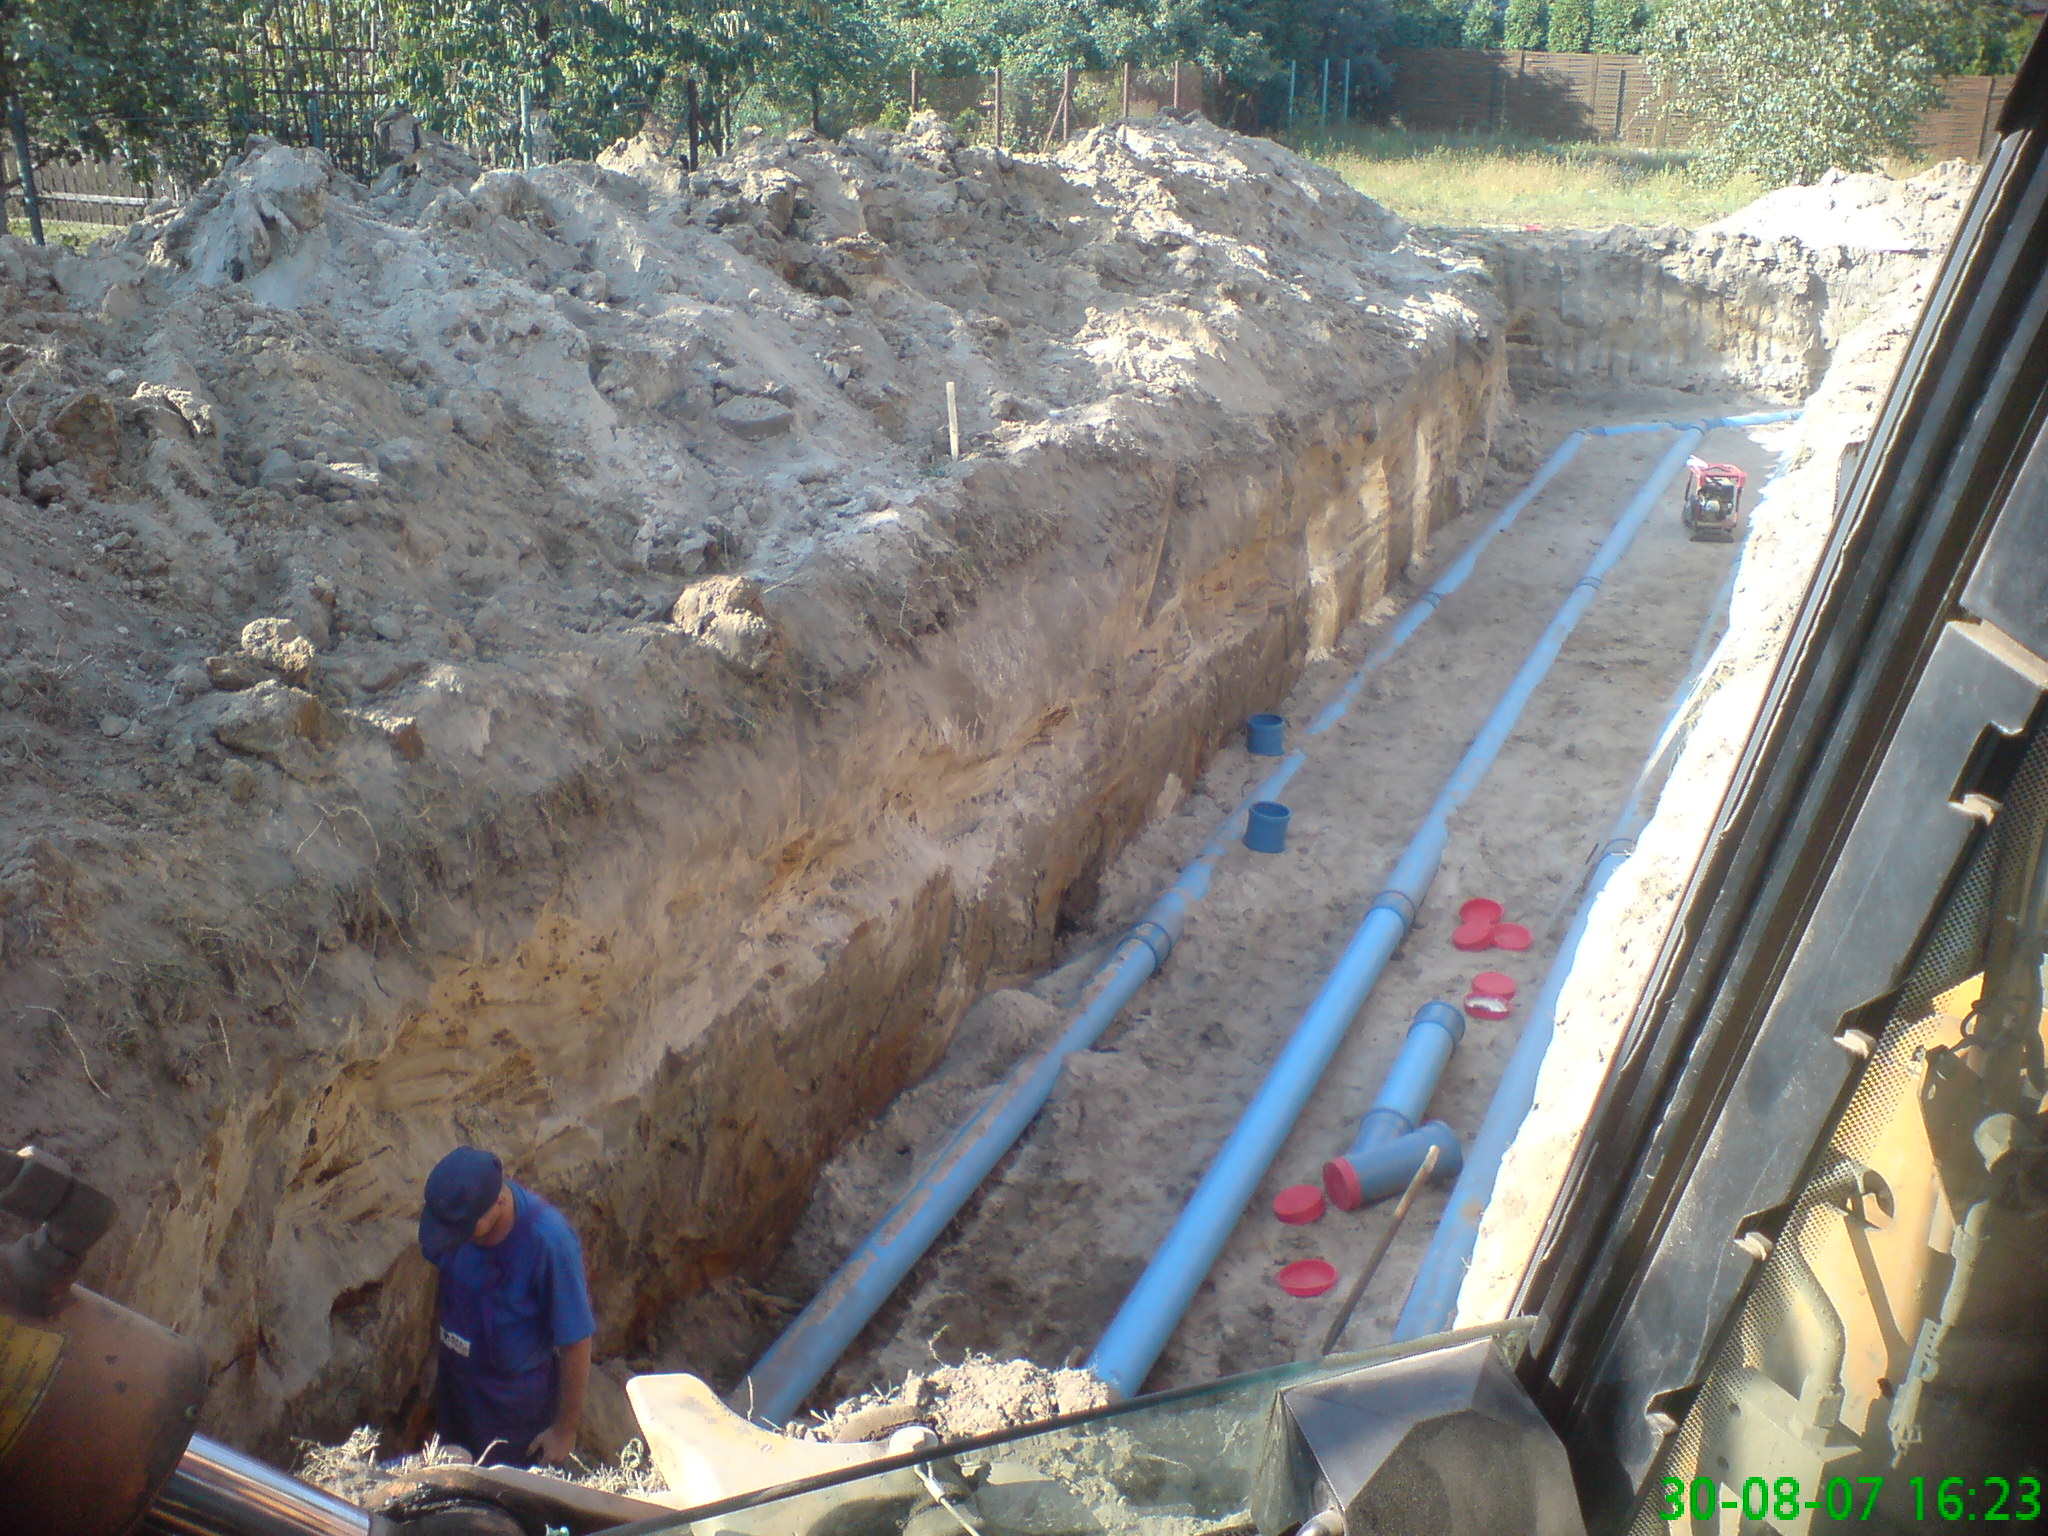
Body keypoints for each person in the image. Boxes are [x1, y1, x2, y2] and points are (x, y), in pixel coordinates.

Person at [418, 1147, 595, 1466]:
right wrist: (431, 1364)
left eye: (466, 1229)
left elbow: (576, 1341)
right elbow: (443, 1292)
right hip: (456, 1387)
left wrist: (565, 1432)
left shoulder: (550, 1242)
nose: (455, 1239)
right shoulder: (453, 1220)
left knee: (499, 1497)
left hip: (513, 1411)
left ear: (498, 1202)